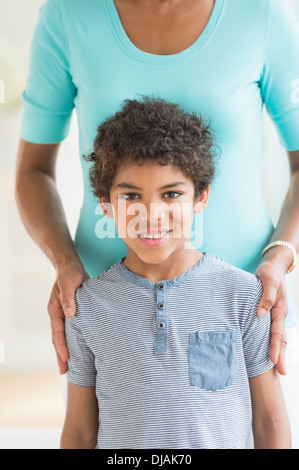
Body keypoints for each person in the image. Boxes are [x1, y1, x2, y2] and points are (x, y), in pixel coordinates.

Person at [15, 0, 299, 378]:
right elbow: (33, 170)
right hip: (109, 313)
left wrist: (279, 258)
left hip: (239, 310)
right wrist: (65, 262)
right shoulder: (68, 15)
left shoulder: (260, 13)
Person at [60, 97, 291, 449]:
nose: (152, 214)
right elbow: (79, 432)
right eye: (131, 196)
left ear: (200, 197)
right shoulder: (86, 307)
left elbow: (269, 422)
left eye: (171, 194)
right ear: (105, 204)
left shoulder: (245, 296)